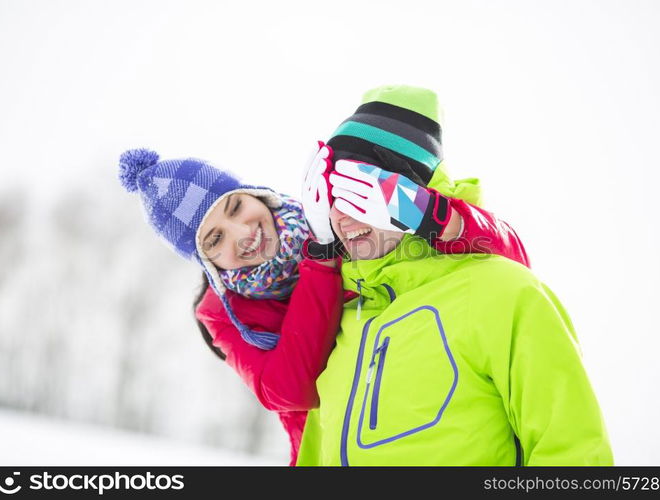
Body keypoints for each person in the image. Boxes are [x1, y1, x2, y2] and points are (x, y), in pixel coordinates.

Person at [118, 88, 529, 466]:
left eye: (236, 207)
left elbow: (506, 262)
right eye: (215, 238)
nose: (243, 233)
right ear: (206, 261)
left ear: (256, 195)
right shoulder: (224, 314)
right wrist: (321, 257)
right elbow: (291, 390)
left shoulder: (338, 218)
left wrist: (436, 217)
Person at [295, 85, 614, 466]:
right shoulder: (347, 315)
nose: (340, 216)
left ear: (407, 194)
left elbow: (572, 452)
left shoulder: (504, 292)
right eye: (330, 198)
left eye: (354, 195)